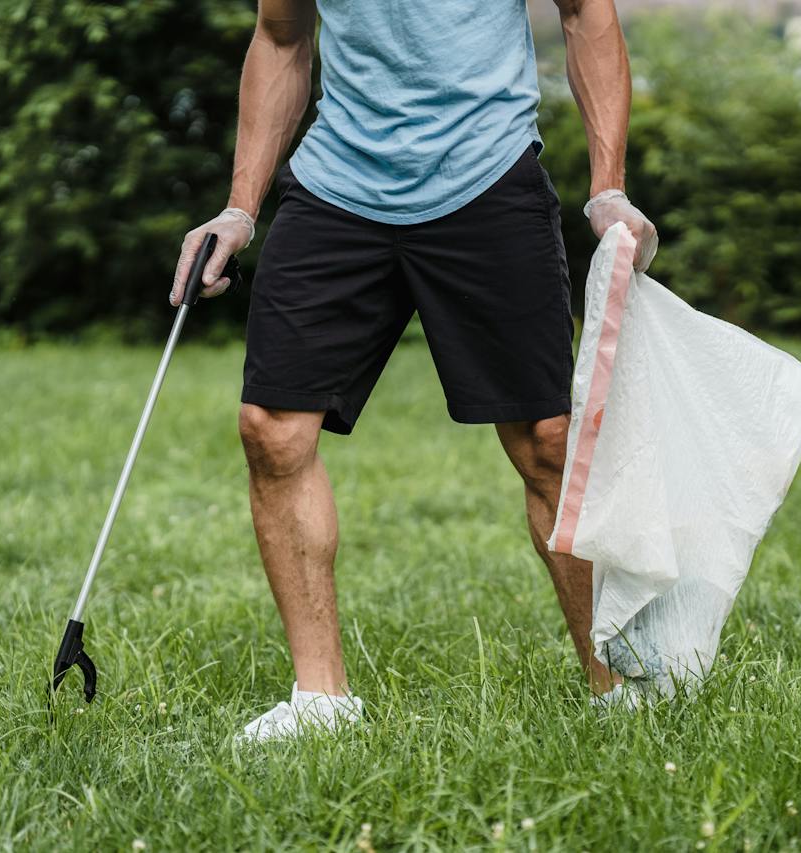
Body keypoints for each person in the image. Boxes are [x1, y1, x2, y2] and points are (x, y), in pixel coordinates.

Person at [169, 0, 657, 741]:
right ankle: (320, 701)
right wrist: (239, 210)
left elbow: (586, 13)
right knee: (271, 428)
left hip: (487, 176)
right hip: (339, 185)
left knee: (547, 440)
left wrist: (608, 188)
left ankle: (616, 684)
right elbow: (281, 37)